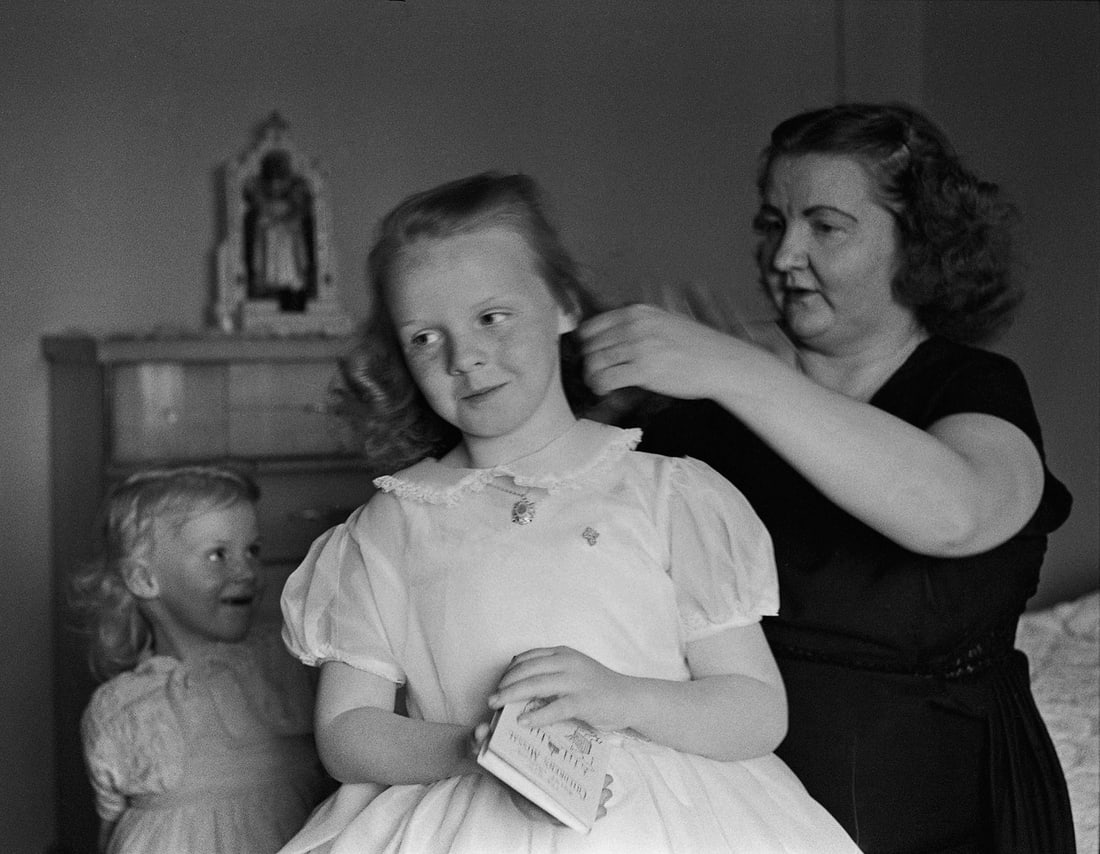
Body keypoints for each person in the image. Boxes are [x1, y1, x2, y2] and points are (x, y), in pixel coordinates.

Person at [277, 171, 860, 853]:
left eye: (492, 317)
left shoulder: (668, 496)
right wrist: (476, 750)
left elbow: (756, 710)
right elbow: (347, 732)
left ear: (562, 304)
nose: (465, 357)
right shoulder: (391, 522)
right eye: (425, 338)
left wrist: (623, 698)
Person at [580, 102, 1074, 853]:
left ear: (918, 242)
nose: (784, 256)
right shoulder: (703, 411)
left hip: (952, 811)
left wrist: (732, 366)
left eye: (826, 226)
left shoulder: (975, 387)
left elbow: (956, 515)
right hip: (742, 811)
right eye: (773, 223)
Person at [70, 465, 332, 854]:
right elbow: (111, 825)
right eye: (217, 555)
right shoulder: (119, 707)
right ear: (144, 579)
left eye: (252, 550)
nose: (246, 571)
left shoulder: (290, 664)